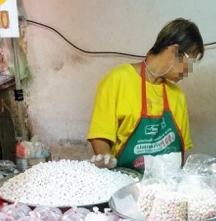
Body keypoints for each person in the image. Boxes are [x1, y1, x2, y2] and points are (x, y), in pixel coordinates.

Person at [87, 18, 204, 173]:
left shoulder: (177, 97)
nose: (189, 71)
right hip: (124, 180)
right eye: (190, 62)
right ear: (174, 51)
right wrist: (105, 157)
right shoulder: (117, 81)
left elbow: (179, 153)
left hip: (163, 184)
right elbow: (101, 134)